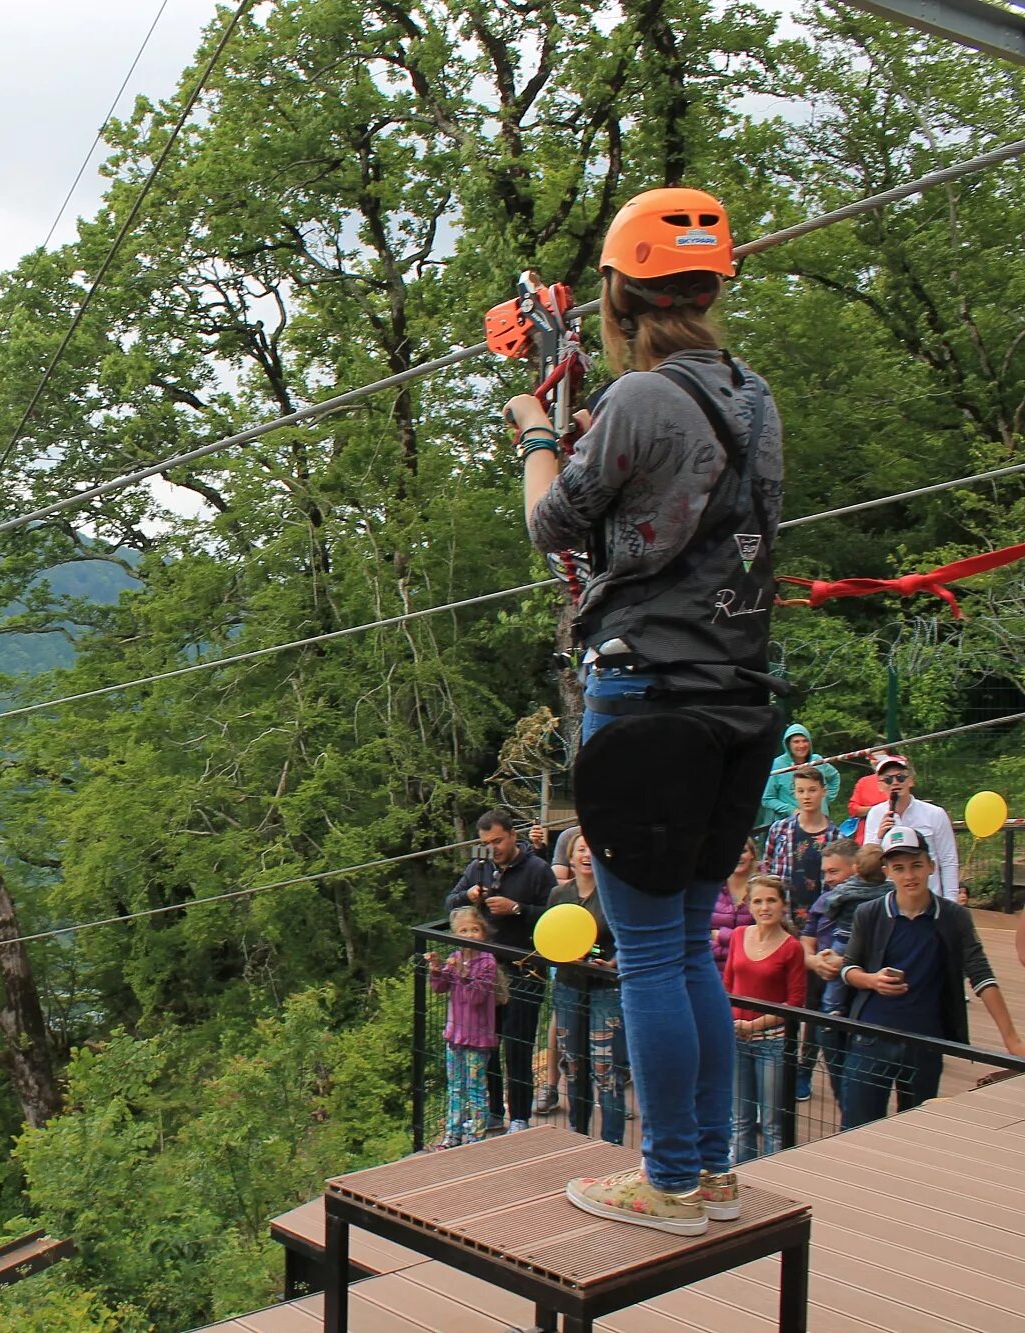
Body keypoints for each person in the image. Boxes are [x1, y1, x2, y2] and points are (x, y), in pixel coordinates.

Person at [513, 186, 785, 1235]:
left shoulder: (638, 401)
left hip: (643, 696)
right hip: (732, 694)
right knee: (682, 944)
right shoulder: (752, 398)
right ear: (712, 288)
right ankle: (706, 1169)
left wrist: (535, 428)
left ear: (621, 296)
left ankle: (670, 1177)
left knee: (651, 954)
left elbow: (553, 521)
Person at [832, 826, 1025, 1126]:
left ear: (931, 866)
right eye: (899, 868)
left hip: (925, 1042)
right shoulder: (869, 914)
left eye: (916, 866)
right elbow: (848, 968)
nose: (909, 875)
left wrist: (1011, 1040)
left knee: (918, 1128)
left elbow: (981, 974)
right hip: (872, 1038)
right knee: (857, 1126)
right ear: (887, 871)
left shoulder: (953, 917)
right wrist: (872, 980)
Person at [444, 812, 557, 1132]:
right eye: (485, 843)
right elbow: (450, 902)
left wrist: (517, 909)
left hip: (524, 969)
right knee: (486, 1044)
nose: (492, 848)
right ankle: (493, 1110)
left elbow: (555, 916)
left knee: (518, 1045)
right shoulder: (478, 868)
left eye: (497, 841)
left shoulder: (537, 870)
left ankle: (519, 1116)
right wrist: (469, 896)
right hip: (485, 971)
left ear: (512, 836)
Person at [760, 765, 835, 1100]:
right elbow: (767, 875)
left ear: (823, 792)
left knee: (815, 1005)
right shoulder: (780, 830)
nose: (806, 796)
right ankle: (781, 1065)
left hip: (819, 932)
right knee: (784, 999)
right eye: (800, 791)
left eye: (811, 790)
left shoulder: (835, 837)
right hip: (785, 928)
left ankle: (804, 1069)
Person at [549, 835, 628, 1143]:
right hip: (568, 985)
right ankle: (577, 1135)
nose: (586, 855)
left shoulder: (614, 896)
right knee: (573, 1065)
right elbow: (549, 938)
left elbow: (628, 939)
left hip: (605, 990)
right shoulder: (559, 894)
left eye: (592, 849)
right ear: (570, 857)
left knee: (606, 1070)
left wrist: (609, 964)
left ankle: (612, 1143)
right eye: (581, 849)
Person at [723, 875, 805, 1163]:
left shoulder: (792, 947)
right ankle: (741, 1174)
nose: (765, 907)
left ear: (783, 904)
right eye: (758, 901)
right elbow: (728, 985)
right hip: (736, 1036)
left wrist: (754, 1025)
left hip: (771, 1041)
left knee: (771, 1121)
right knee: (740, 1117)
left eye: (771, 900)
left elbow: (795, 1002)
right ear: (749, 904)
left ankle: (773, 1177)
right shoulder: (738, 935)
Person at [802, 839, 887, 1113]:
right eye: (825, 872)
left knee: (863, 1082)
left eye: (834, 872)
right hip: (827, 1002)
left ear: (856, 868)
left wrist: (843, 965)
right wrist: (814, 961)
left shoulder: (881, 901)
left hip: (863, 1001)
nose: (828, 879)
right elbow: (806, 938)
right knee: (839, 1076)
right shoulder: (823, 900)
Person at [427, 906, 505, 1147]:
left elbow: (476, 998)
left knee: (476, 1090)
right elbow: (440, 988)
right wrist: (437, 969)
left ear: (483, 932)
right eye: (463, 930)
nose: (469, 935)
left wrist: (462, 973)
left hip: (478, 1038)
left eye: (474, 929)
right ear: (454, 934)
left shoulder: (487, 962)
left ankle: (476, 1137)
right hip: (455, 1035)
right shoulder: (456, 956)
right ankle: (453, 1134)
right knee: (455, 1088)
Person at [859, 754, 960, 902]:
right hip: (889, 900)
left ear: (910, 781)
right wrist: (879, 836)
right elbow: (867, 864)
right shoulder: (875, 814)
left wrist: (951, 901)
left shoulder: (935, 814)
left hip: (930, 899)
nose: (895, 783)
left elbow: (948, 860)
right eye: (888, 779)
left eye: (900, 777)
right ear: (880, 786)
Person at [757, 723, 842, 829]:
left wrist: (825, 799)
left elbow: (834, 777)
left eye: (805, 740)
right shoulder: (777, 765)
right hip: (790, 827)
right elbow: (767, 799)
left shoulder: (817, 761)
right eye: (796, 742)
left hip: (820, 823)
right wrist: (791, 810)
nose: (801, 745)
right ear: (788, 744)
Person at [710, 840, 758, 970]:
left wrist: (721, 935)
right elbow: (699, 933)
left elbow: (766, 936)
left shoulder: (763, 887)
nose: (737, 856)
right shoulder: (710, 887)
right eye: (731, 851)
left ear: (752, 854)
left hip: (750, 968)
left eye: (743, 851)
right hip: (712, 968)